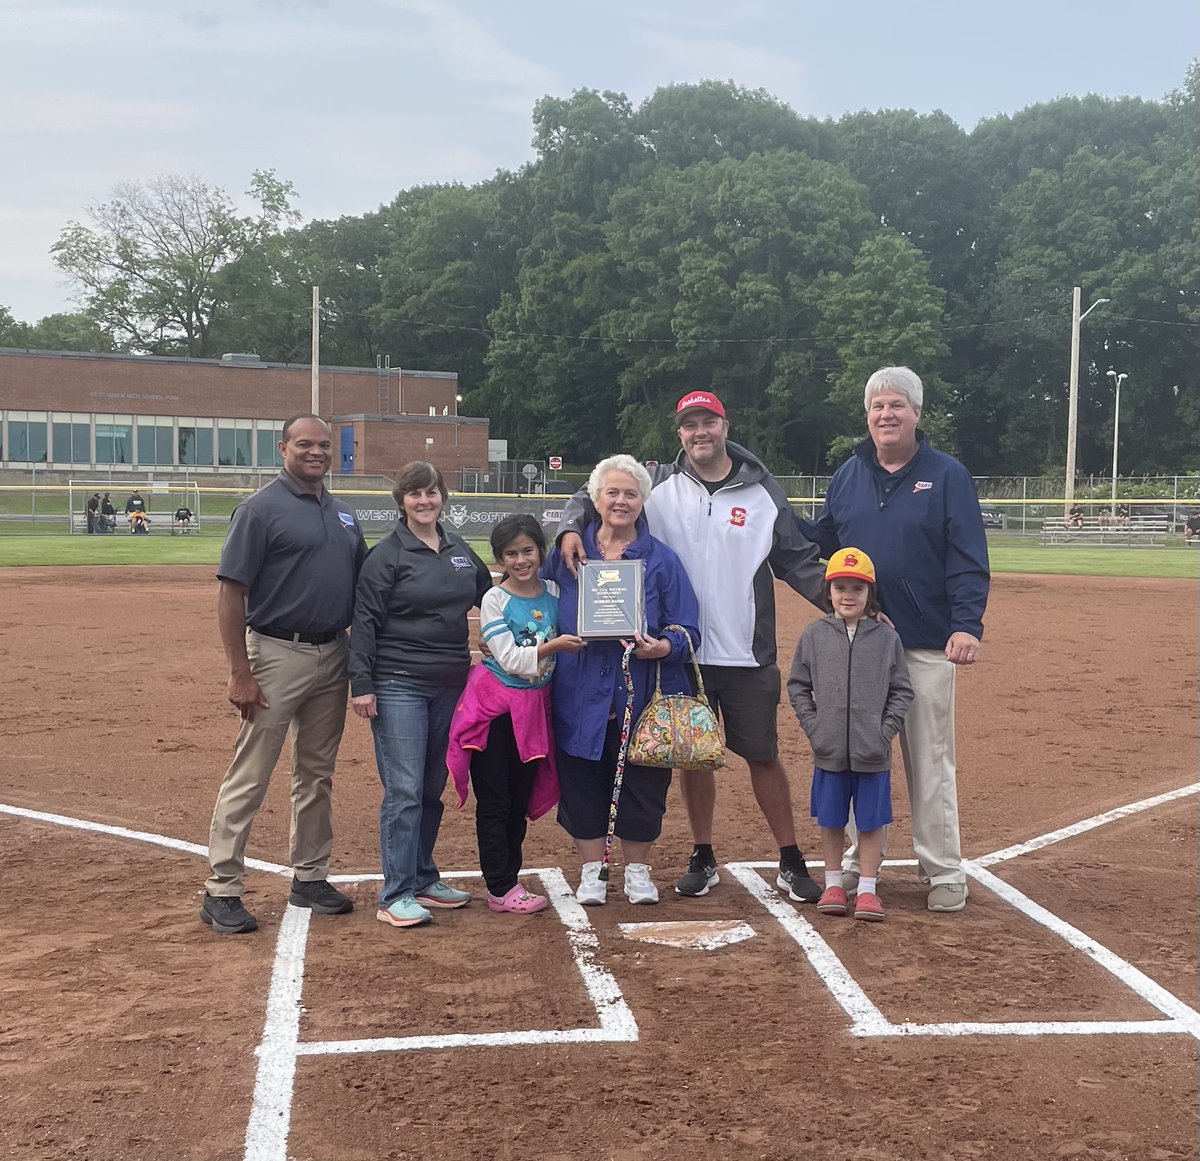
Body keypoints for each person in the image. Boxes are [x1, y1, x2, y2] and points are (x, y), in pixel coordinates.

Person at [558, 392, 826, 904]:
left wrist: (840, 603)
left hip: (747, 652)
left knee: (763, 755)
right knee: (690, 756)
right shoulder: (659, 486)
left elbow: (797, 558)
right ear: (679, 433)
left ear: (725, 426)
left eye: (707, 422)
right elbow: (594, 493)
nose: (698, 432)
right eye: (689, 425)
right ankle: (702, 855)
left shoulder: (762, 490)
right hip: (680, 651)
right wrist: (572, 526)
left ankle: (790, 857)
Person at [798, 366, 989, 913]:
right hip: (863, 644)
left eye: (897, 406)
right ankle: (859, 863)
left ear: (917, 414)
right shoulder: (848, 474)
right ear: (867, 415)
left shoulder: (947, 475)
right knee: (859, 755)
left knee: (930, 762)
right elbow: (823, 541)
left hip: (927, 643)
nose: (887, 414)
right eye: (878, 406)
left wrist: (966, 625)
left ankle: (943, 868)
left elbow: (968, 558)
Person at [200, 414, 366, 935]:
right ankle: (222, 887)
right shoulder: (259, 509)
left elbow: (364, 591)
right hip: (275, 652)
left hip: (332, 653)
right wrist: (239, 671)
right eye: (305, 444)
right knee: (252, 771)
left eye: (324, 445)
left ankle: (309, 876)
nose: (316, 452)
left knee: (316, 773)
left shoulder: (343, 514)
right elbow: (231, 593)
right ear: (284, 448)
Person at [546, 454, 701, 907]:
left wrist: (664, 647)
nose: (620, 501)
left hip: (640, 686)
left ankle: (637, 869)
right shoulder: (569, 554)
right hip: (578, 687)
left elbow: (687, 627)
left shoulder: (662, 560)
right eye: (611, 492)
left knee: (644, 782)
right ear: (594, 499)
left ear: (643, 501)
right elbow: (530, 596)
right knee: (581, 776)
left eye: (630, 493)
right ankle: (593, 871)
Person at [350, 461, 494, 930]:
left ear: (442, 498)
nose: (424, 501)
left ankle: (424, 877)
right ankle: (395, 893)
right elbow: (365, 621)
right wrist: (363, 685)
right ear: (401, 501)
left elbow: (489, 595)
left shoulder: (457, 549)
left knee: (431, 787)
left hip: (450, 683)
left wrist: (502, 633)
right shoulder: (387, 554)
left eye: (431, 493)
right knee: (405, 789)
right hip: (398, 683)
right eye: (414, 493)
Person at [447, 515, 585, 914]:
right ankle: (500, 884)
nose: (521, 560)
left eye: (528, 551)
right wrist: (553, 646)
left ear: (541, 552)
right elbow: (507, 658)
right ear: (500, 559)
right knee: (496, 799)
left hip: (533, 709)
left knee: (520, 797)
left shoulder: (558, 591)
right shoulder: (495, 599)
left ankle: (508, 879)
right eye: (511, 554)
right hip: (495, 712)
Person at [787, 548, 913, 923]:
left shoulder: (887, 639)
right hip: (828, 750)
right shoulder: (814, 635)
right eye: (840, 587)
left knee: (871, 821)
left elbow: (902, 690)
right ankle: (833, 884)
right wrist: (815, 727)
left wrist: (884, 731)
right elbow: (798, 686)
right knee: (831, 819)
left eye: (857, 589)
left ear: (869, 594)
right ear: (829, 592)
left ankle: (869, 889)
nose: (848, 596)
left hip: (872, 751)